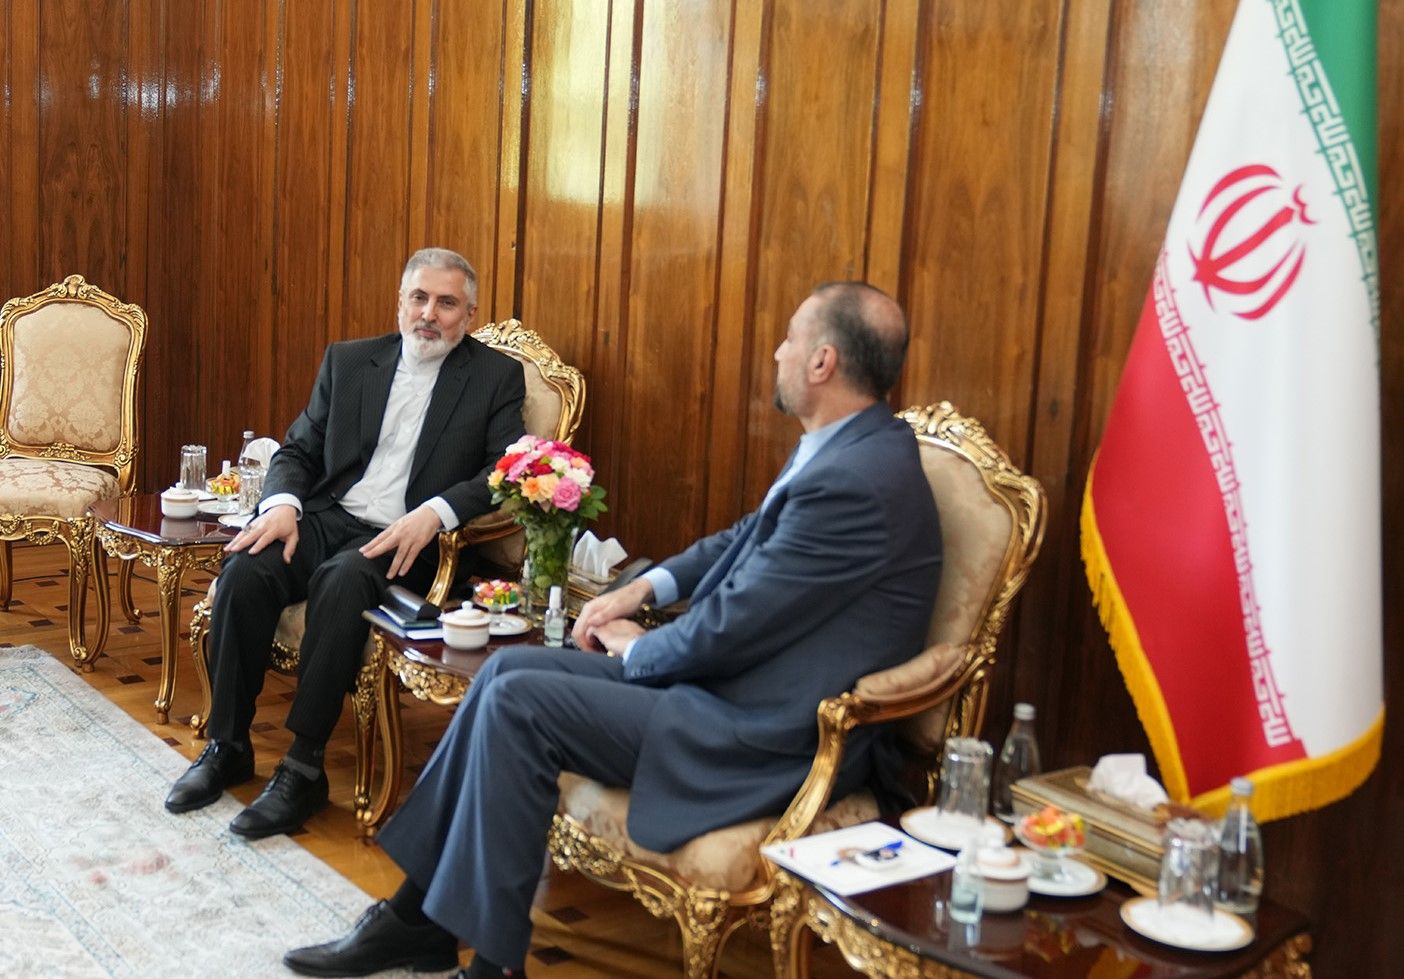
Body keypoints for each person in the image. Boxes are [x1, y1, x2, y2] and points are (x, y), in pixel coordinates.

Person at [283, 281, 942, 978]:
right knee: (504, 673)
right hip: (732, 688)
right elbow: (745, 540)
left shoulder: (857, 481)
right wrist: (643, 586)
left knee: (516, 700)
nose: (778, 351)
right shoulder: (852, 448)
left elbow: (738, 622)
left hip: (760, 729)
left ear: (823, 363)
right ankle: (417, 921)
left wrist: (641, 643)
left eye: (790, 338)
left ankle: (475, 956)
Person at [165, 247, 527, 839]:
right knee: (246, 571)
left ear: (470, 314)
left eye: (446, 302)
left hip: (408, 538)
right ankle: (227, 745)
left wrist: (434, 514)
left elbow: (504, 470)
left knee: (342, 580)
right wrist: (282, 505)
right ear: (400, 302)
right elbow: (299, 449)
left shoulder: (493, 377)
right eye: (419, 297)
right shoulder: (351, 361)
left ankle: (305, 767)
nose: (429, 313)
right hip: (332, 515)